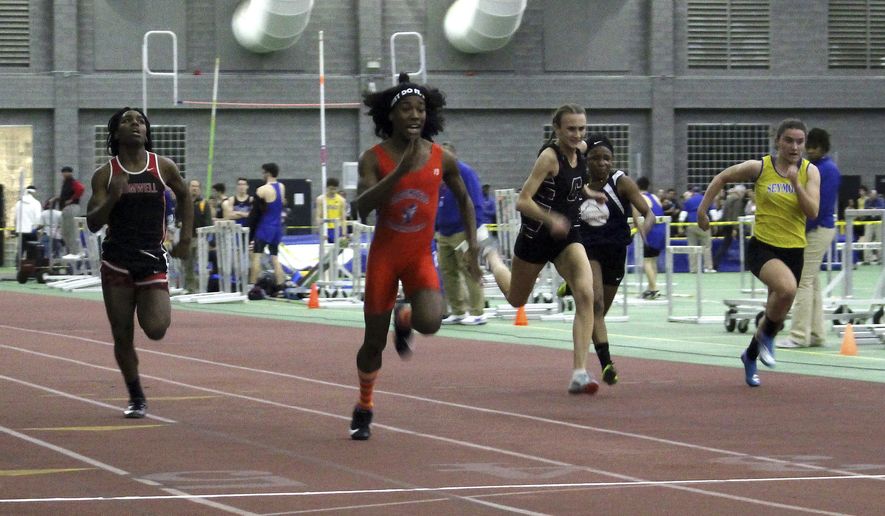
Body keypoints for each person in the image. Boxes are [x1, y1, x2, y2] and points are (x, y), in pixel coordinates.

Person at [349, 73, 481, 440]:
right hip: (385, 259)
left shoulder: (442, 157)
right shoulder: (373, 158)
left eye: (421, 109)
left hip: (420, 255)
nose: (414, 115)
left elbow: (466, 199)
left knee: (431, 323)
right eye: (406, 108)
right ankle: (364, 405)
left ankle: (404, 316)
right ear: (390, 116)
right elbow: (361, 208)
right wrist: (400, 172)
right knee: (372, 343)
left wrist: (472, 246)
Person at [483, 104, 602, 395]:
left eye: (581, 128)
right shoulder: (549, 158)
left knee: (586, 294)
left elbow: (573, 186)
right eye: (571, 129)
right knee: (516, 299)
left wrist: (590, 193)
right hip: (537, 235)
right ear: (557, 130)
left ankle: (580, 373)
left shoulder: (582, 151)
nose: (577, 134)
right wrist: (551, 219)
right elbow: (523, 201)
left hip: (567, 236)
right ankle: (491, 257)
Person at [85, 107, 193, 418]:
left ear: (146, 132)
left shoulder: (163, 166)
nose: (135, 124)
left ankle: (136, 386)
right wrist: (112, 198)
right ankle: (136, 395)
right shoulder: (105, 174)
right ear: (116, 133)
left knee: (157, 328)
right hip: (117, 262)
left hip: (151, 259)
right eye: (127, 121)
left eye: (140, 121)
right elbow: (93, 222)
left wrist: (186, 237)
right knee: (122, 334)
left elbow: (185, 196)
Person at [698, 118, 820, 387]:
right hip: (763, 247)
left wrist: (796, 184)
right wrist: (702, 209)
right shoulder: (760, 167)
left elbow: (812, 211)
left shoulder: (810, 172)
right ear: (778, 141)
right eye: (789, 140)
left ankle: (750, 355)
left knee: (775, 311)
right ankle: (766, 338)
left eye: (800, 142)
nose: (794, 146)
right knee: (786, 290)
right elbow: (722, 177)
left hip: (794, 250)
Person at [576, 135, 655, 386]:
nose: (601, 163)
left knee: (598, 312)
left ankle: (575, 290)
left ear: (613, 160)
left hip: (615, 251)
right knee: (595, 303)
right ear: (586, 160)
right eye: (595, 158)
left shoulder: (621, 182)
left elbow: (648, 211)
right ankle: (607, 363)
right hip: (587, 250)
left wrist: (645, 226)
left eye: (606, 158)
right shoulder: (578, 183)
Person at [778, 128, 841, 349]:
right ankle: (816, 334)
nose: (811, 150)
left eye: (816, 147)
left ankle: (797, 335)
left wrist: (800, 230)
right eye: (810, 146)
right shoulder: (813, 168)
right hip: (812, 227)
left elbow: (821, 207)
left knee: (802, 282)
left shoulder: (828, 170)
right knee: (811, 282)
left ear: (824, 147)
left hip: (818, 228)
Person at [436, 142, 488, 326]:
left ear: (453, 157)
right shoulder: (438, 175)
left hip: (462, 231)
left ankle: (477, 312)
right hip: (443, 232)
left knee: (469, 269)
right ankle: (458, 310)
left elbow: (475, 200)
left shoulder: (465, 172)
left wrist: (473, 233)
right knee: (447, 271)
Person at [249, 162, 287, 288]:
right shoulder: (281, 187)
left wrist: (250, 233)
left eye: (263, 173)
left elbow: (255, 214)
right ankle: (281, 285)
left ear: (268, 173)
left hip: (265, 227)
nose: (262, 175)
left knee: (257, 256)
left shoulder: (262, 190)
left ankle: (252, 286)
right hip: (277, 228)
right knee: (275, 258)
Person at [635, 176, 666, 299]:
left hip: (652, 231)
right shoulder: (655, 197)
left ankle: (654, 289)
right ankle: (650, 287)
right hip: (662, 230)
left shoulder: (641, 198)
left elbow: (637, 215)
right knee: (653, 260)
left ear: (637, 186)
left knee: (647, 261)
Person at [182, 179, 213, 292]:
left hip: (200, 238)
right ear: (189, 187)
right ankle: (190, 288)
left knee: (201, 264)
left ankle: (201, 288)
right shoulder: (184, 201)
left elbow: (208, 222)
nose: (194, 188)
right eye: (192, 186)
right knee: (188, 265)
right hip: (186, 238)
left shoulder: (204, 204)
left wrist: (208, 239)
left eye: (197, 187)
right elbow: (177, 217)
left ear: (200, 189)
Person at [712, 184, 746, 271]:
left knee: (725, 245)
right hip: (734, 226)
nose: (743, 195)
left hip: (727, 225)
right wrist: (735, 228)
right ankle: (747, 265)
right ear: (740, 192)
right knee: (744, 244)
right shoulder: (737, 200)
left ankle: (715, 263)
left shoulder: (728, 198)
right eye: (743, 193)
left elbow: (725, 213)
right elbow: (736, 214)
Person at [683, 187, 714, 273]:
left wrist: (680, 226)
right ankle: (708, 267)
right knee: (707, 246)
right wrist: (715, 224)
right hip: (703, 224)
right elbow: (713, 213)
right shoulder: (706, 199)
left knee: (692, 247)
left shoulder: (688, 201)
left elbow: (683, 214)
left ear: (692, 192)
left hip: (691, 225)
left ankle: (693, 269)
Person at [55, 166, 85, 256]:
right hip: (66, 209)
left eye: (66, 172)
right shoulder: (66, 183)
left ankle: (75, 252)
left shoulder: (72, 182)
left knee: (72, 231)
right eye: (63, 172)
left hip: (71, 208)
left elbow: (81, 189)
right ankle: (71, 251)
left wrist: (72, 199)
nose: (64, 174)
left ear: (70, 173)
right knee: (65, 231)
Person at [314, 177, 347, 242]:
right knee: (326, 250)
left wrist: (344, 234)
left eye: (335, 189)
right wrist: (321, 231)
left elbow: (343, 218)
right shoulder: (320, 199)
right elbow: (318, 217)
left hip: (337, 228)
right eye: (331, 189)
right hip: (326, 228)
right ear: (327, 188)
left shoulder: (341, 200)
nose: (333, 191)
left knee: (339, 249)